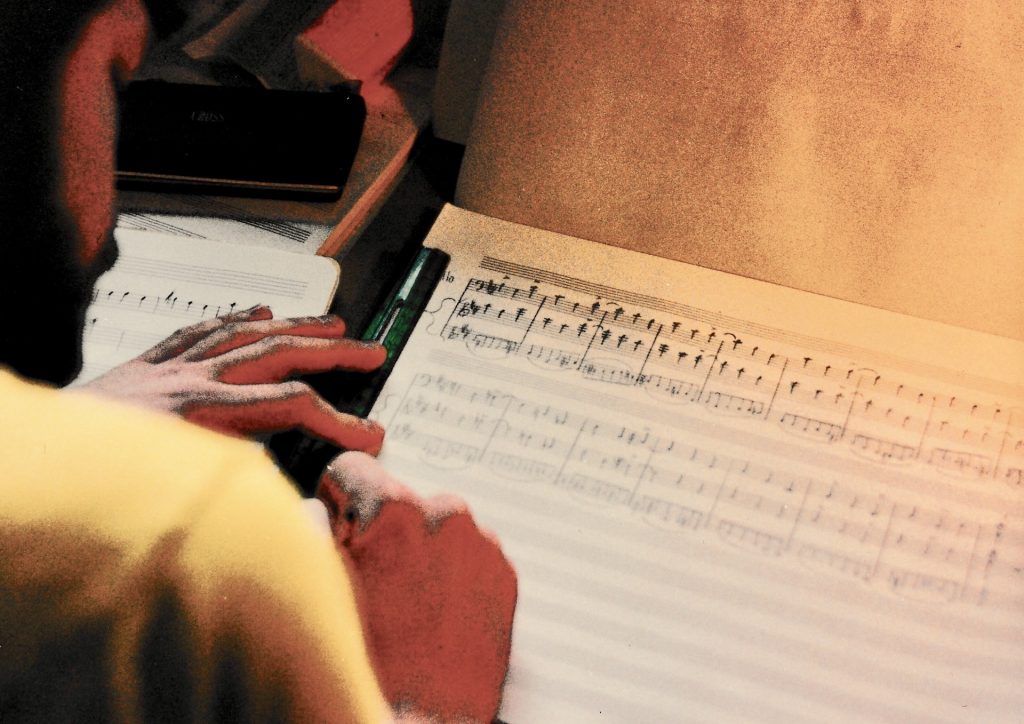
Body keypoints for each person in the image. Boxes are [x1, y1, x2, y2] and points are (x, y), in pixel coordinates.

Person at [0, 0, 517, 721]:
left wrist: (45, 441)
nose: (114, 233)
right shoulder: (199, 551)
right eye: (114, 82)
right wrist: (426, 697)